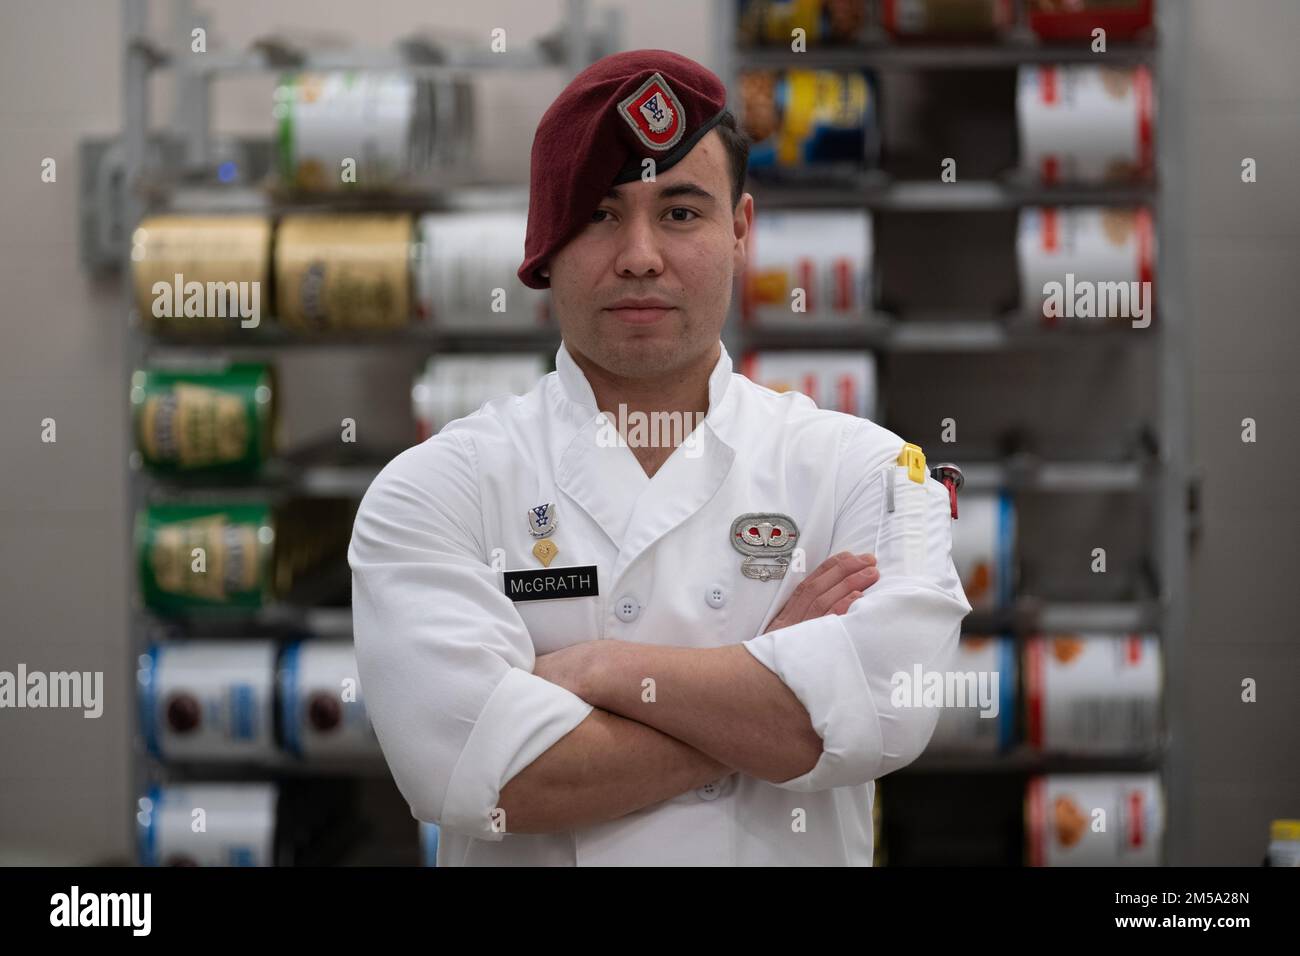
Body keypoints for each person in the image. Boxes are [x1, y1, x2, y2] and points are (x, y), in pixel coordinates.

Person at [348, 49, 972, 866]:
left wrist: (602, 669)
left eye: (681, 213)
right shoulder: (433, 493)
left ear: (740, 230)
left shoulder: (873, 475)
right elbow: (489, 781)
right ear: (545, 242)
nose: (640, 254)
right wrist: (773, 692)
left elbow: (889, 711)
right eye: (601, 214)